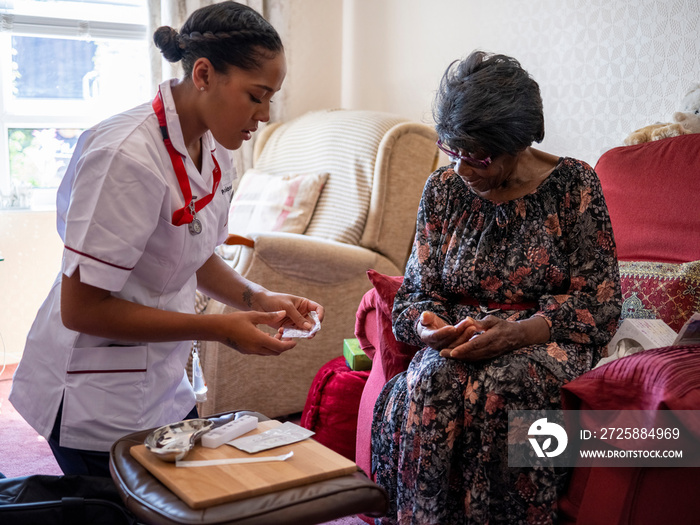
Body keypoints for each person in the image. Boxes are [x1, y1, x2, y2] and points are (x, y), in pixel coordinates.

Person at [10, 1, 323, 478]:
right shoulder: (125, 157)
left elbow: (194, 252)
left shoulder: (217, 147)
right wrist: (219, 329)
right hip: (94, 395)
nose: (263, 115)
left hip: (163, 385)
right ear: (203, 74)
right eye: (256, 95)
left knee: (190, 497)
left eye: (270, 99)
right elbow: (82, 308)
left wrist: (256, 297)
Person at [371, 51, 622, 524]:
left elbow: (601, 304)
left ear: (519, 142)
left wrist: (521, 332)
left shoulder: (575, 185)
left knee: (501, 386)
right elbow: (414, 296)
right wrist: (429, 329)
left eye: (480, 158)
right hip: (459, 341)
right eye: (454, 153)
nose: (464, 171)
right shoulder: (442, 190)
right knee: (429, 383)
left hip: (544, 340)